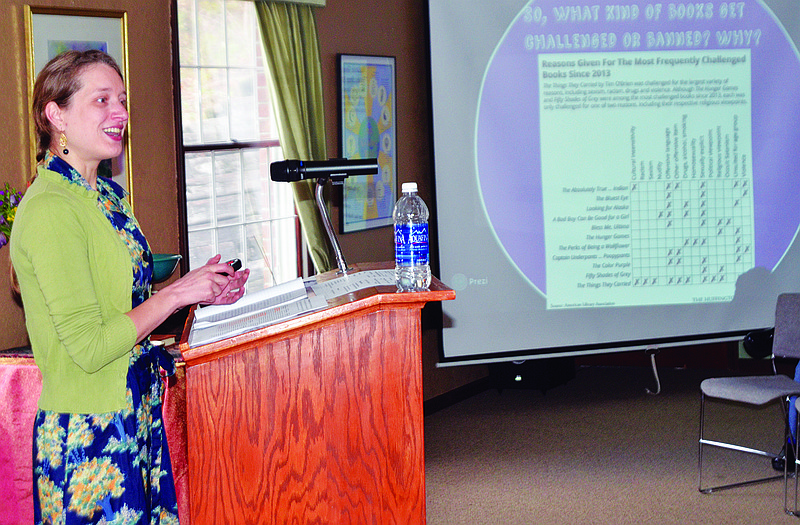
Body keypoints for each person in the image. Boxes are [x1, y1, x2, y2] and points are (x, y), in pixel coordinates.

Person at [10, 49, 249, 523]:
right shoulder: (49, 210)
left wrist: (199, 294)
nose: (120, 113)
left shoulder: (110, 198)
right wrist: (176, 294)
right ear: (54, 115)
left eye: (121, 99)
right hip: (90, 431)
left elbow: (130, 311)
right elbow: (91, 346)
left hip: (135, 409)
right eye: (101, 100)